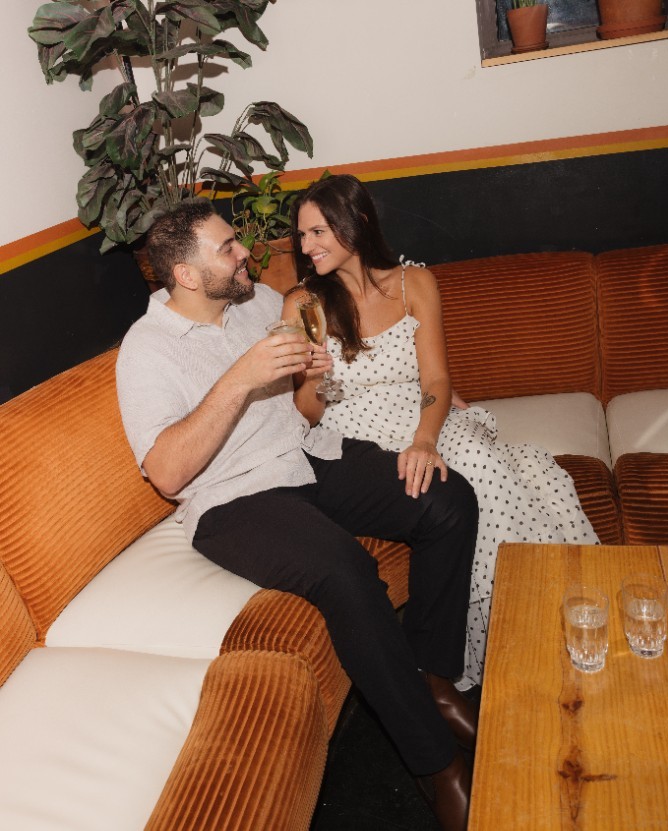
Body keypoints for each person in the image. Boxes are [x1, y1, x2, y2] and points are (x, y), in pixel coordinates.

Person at [115, 198, 480, 831]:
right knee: (346, 571)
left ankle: (433, 678)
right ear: (187, 276)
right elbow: (167, 473)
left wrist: (312, 371)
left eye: (237, 241)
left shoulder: (257, 302)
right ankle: (436, 764)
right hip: (236, 498)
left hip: (309, 455)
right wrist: (239, 378)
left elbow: (307, 393)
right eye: (228, 249)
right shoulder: (146, 351)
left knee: (446, 500)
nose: (246, 254)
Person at [283, 173, 600, 688]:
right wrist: (315, 376)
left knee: (481, 461)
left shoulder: (416, 283)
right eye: (302, 235)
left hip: (423, 416)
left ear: (356, 223)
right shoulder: (303, 303)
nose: (306, 246)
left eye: (318, 231)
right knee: (448, 488)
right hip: (354, 432)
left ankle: (544, 610)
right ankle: (502, 652)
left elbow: (436, 380)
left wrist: (425, 440)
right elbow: (306, 412)